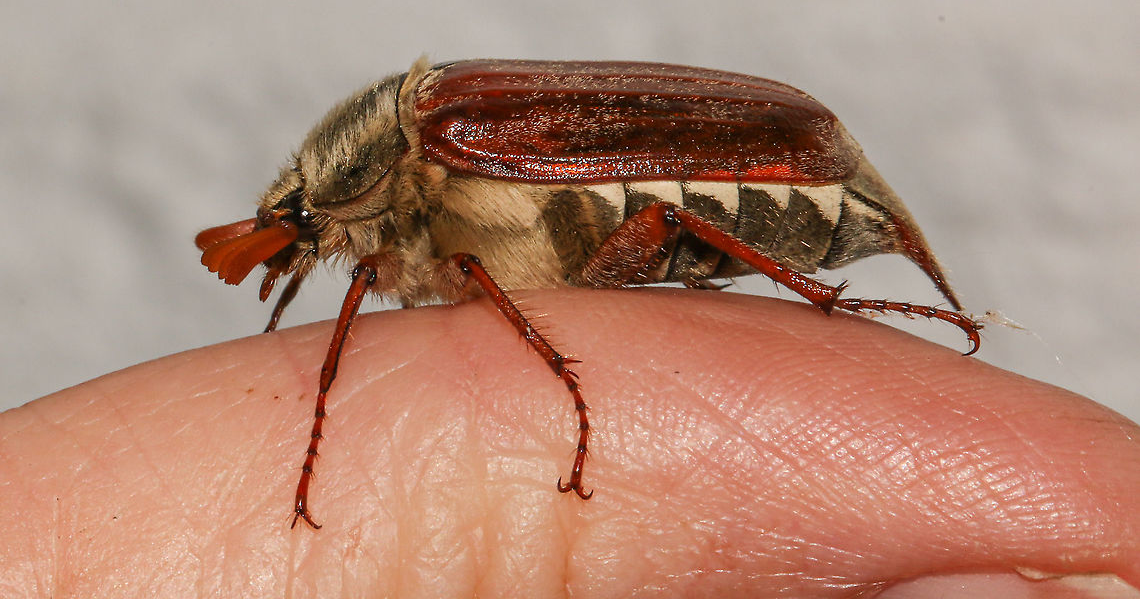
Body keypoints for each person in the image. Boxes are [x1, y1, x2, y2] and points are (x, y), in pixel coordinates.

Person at [2, 289, 1137, 596]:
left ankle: (844, 298)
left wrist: (565, 389)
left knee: (675, 232)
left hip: (695, 190)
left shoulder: (440, 164)